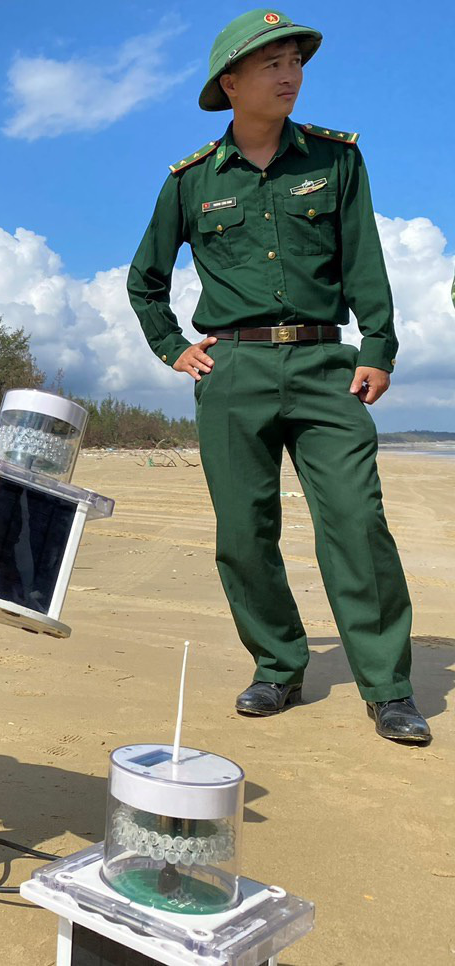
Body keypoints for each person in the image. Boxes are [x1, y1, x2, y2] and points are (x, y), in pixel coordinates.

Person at [127, 9, 430, 744]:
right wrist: (175, 348)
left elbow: (365, 260)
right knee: (245, 531)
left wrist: (377, 347)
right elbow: (145, 282)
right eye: (272, 64)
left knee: (357, 522)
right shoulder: (191, 182)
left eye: (296, 61)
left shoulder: (336, 161)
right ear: (230, 83)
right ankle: (276, 666)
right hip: (233, 370)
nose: (291, 74)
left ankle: (387, 686)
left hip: (329, 365)